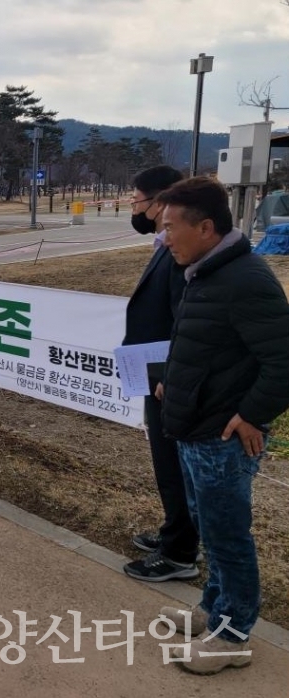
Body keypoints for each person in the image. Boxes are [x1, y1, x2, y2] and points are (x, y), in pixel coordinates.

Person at [155, 177, 289, 674]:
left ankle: (232, 636)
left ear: (206, 228)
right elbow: (202, 343)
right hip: (194, 429)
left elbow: (282, 361)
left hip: (223, 439)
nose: (164, 237)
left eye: (171, 228)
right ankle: (213, 611)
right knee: (210, 528)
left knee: (229, 536)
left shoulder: (246, 279)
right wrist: (173, 381)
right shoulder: (205, 272)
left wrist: (252, 414)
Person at [121, 165, 201, 583]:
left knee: (172, 464)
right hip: (156, 369)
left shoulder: (179, 253)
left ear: (158, 200)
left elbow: (183, 320)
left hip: (167, 376)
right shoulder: (163, 244)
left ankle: (180, 553)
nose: (133, 207)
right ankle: (175, 530)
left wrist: (168, 374)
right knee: (167, 462)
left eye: (136, 200)